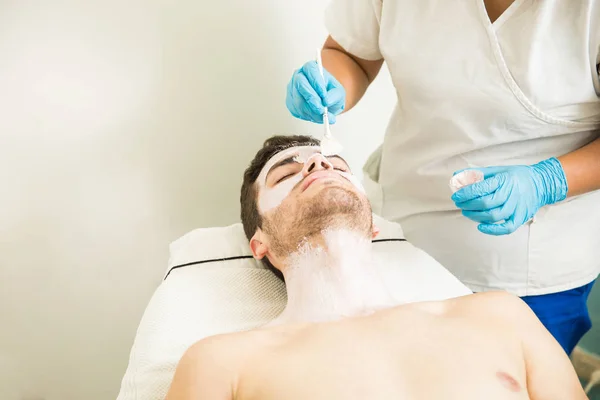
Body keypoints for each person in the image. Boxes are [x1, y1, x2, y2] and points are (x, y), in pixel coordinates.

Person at [165, 135, 588, 400]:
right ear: (261, 243)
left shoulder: (500, 315)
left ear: (373, 225)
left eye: (335, 164)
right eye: (287, 174)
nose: (320, 164)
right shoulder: (221, 363)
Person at [285, 0, 600, 354]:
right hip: (405, 232)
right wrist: (332, 81)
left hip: (533, 264)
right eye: (284, 174)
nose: (318, 168)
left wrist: (546, 181)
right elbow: (351, 55)